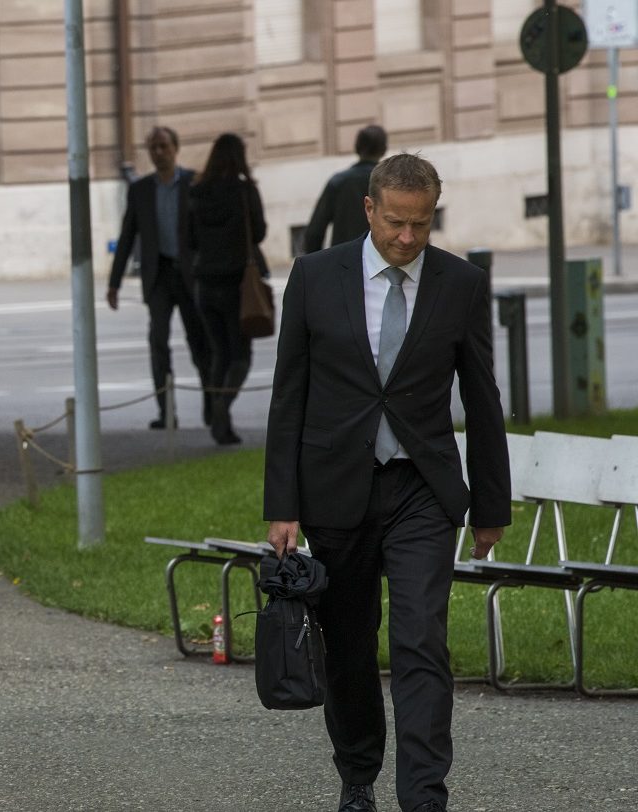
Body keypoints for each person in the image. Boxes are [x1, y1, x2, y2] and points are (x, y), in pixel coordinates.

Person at [263, 153, 511, 812]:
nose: (408, 238)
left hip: (422, 491)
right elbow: (289, 395)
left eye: (422, 224)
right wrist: (281, 505)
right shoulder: (316, 277)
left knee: (420, 641)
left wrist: (491, 505)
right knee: (347, 644)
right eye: (396, 223)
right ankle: (357, 774)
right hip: (337, 489)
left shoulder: (460, 284)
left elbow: (482, 397)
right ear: (370, 209)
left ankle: (424, 797)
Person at [106, 125, 212, 430]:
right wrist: (114, 283)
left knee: (199, 342)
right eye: (153, 147)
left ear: (175, 148)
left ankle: (211, 407)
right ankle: (166, 413)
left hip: (190, 275)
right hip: (159, 276)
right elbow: (127, 236)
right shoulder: (140, 190)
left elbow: (205, 232)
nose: (159, 153)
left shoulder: (192, 183)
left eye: (163, 146)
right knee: (158, 342)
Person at [187, 132, 265, 446]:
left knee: (219, 352)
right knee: (241, 356)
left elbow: (190, 239)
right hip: (237, 283)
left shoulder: (197, 192)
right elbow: (258, 232)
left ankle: (221, 421)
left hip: (205, 282)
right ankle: (223, 406)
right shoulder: (245, 192)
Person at [302, 124, 388, 253]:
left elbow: (315, 232)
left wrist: (315, 265)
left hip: (343, 259)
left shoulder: (338, 182)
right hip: (383, 259)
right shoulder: (391, 182)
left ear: (357, 148)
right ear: (383, 149)